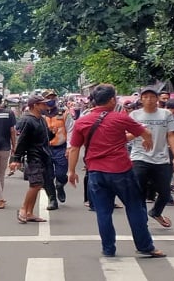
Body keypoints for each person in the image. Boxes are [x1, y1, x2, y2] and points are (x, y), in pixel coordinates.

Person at [68, 84, 166, 258]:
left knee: (103, 213)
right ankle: (145, 246)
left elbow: (74, 148)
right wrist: (147, 140)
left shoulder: (82, 121)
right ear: (112, 99)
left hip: (96, 173)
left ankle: (108, 248)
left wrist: (71, 172)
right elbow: (146, 133)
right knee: (135, 208)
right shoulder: (120, 118)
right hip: (121, 171)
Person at [128, 87, 174, 228]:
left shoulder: (165, 115)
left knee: (165, 192)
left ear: (157, 99)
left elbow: (171, 135)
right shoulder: (134, 115)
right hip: (140, 157)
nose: (149, 99)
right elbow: (127, 135)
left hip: (161, 158)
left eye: (152, 96)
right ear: (141, 99)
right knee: (140, 191)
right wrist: (141, 134)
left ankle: (156, 212)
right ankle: (141, 219)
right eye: (145, 97)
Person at [9, 94, 53, 223]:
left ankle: (29, 212)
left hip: (43, 155)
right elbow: (21, 140)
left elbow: (46, 137)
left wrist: (52, 133)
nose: (46, 106)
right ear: (35, 105)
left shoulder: (41, 119)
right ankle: (23, 209)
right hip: (34, 156)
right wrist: (16, 158)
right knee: (35, 184)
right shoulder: (27, 120)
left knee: (38, 185)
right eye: (43, 104)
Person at [43, 89, 74, 209]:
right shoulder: (41, 114)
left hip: (61, 148)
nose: (51, 100)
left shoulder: (63, 113)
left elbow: (71, 130)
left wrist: (69, 147)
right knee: (48, 175)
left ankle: (60, 185)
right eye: (48, 98)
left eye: (53, 98)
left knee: (61, 174)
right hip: (45, 149)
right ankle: (52, 199)